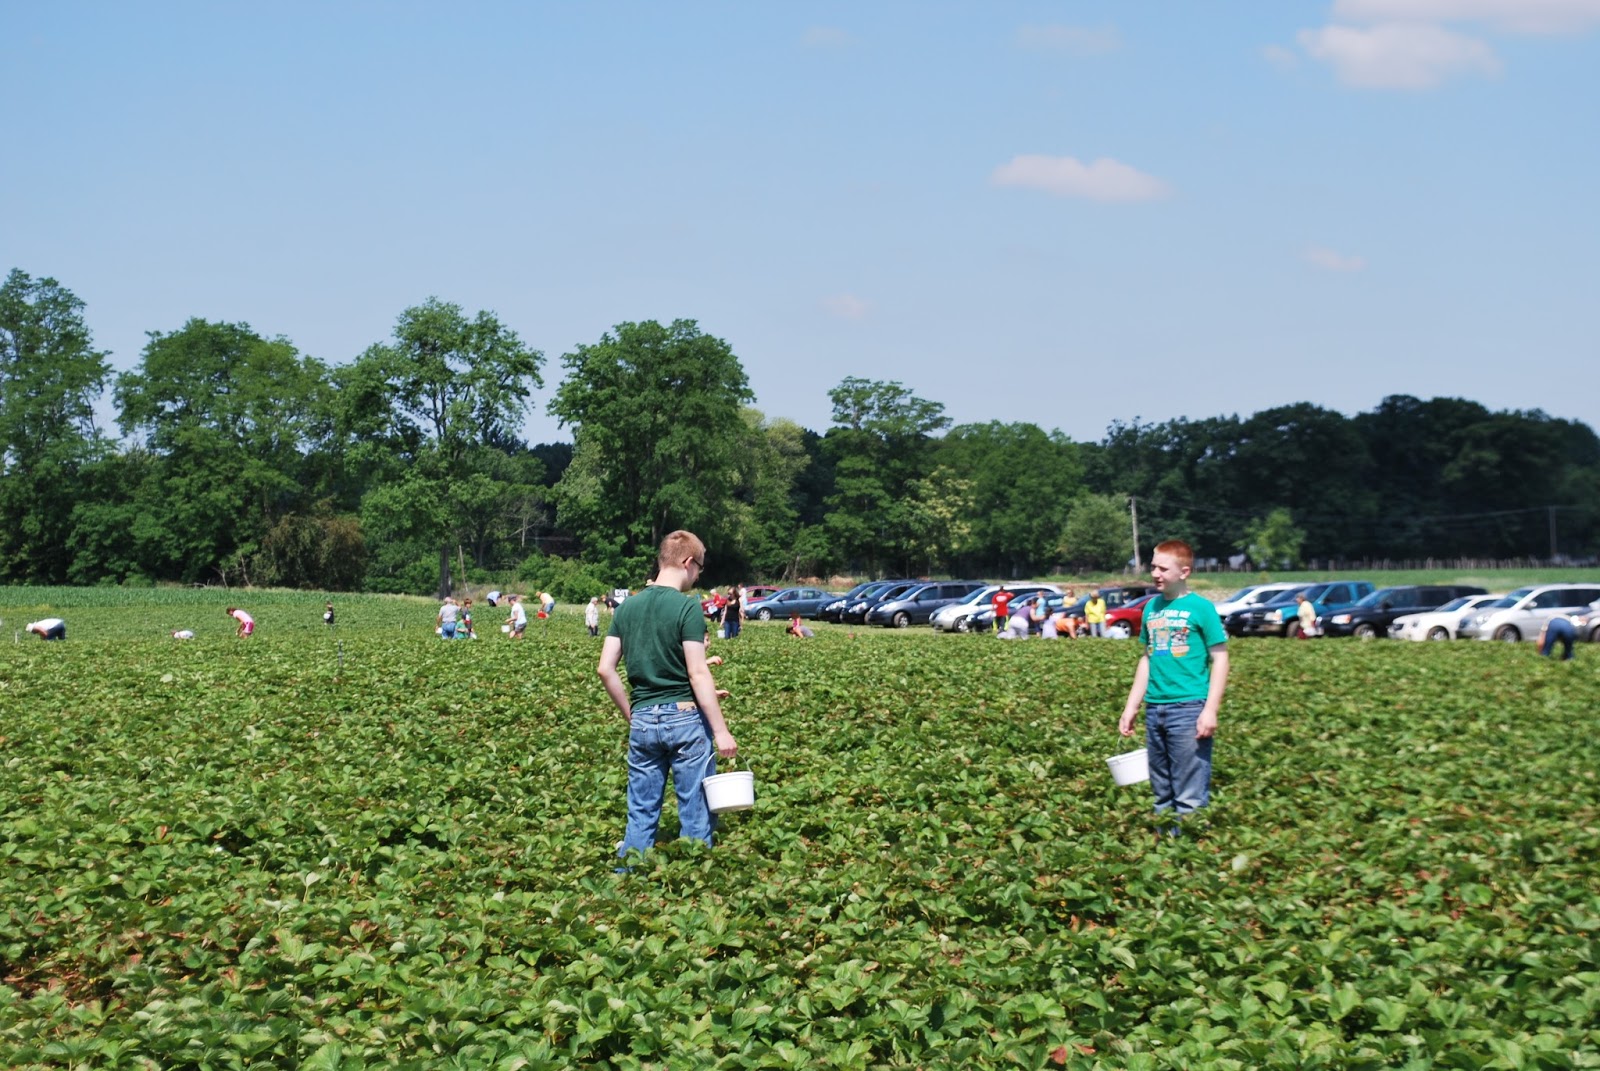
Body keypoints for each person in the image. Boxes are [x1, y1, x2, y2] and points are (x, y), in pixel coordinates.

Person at [597, 530, 737, 865]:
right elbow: (697, 672)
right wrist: (721, 731)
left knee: (641, 811)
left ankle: (629, 878)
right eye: (699, 568)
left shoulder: (626, 608)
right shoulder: (687, 608)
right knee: (695, 809)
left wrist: (634, 713)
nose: (698, 576)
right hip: (686, 719)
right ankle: (692, 880)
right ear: (688, 562)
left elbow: (605, 669)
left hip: (643, 719)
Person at [1117, 539, 1229, 828]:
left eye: (1163, 568)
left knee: (1189, 792)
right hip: (1155, 708)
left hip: (1189, 707)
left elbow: (1221, 659)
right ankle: (1164, 854)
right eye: (1153, 566)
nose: (1155, 573)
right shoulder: (1151, 607)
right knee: (1161, 790)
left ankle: (1188, 856)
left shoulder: (1201, 608)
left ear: (1184, 572)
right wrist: (1131, 707)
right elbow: (1147, 659)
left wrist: (1210, 710)